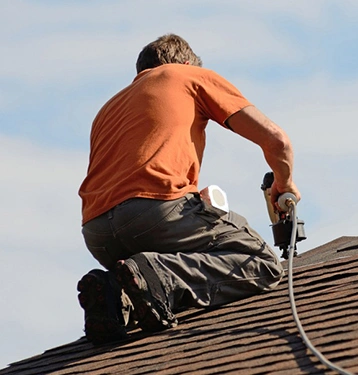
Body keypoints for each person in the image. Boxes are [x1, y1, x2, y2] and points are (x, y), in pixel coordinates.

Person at [76, 33, 301, 344]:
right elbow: (277, 141)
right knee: (261, 262)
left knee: (143, 277)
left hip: (97, 232)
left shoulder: (109, 108)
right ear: (184, 63)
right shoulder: (187, 76)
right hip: (155, 213)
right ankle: (160, 276)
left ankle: (115, 297)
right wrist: (284, 182)